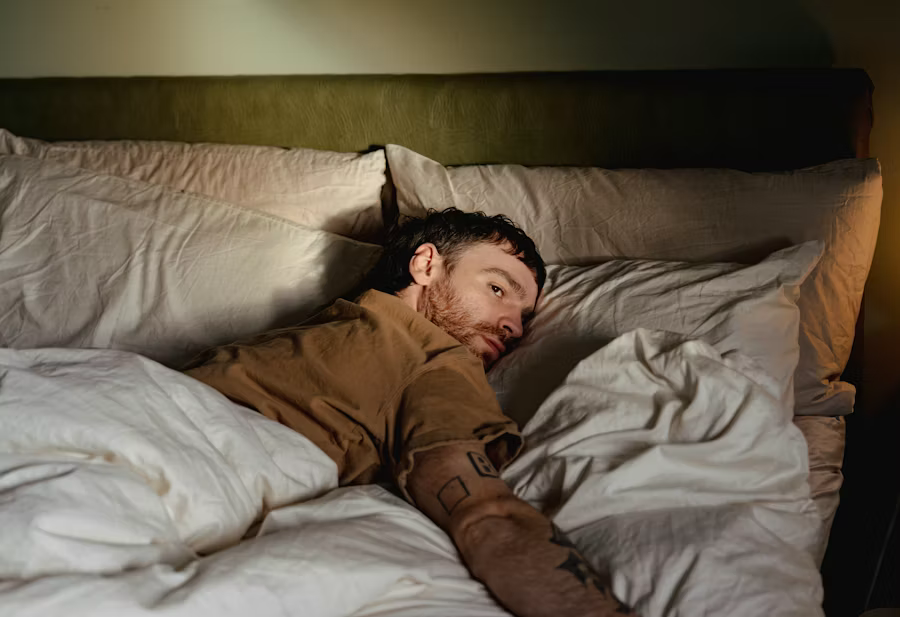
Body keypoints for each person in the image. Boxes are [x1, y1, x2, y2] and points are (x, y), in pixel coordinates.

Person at [185, 208, 636, 617]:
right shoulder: (394, 340)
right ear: (425, 265)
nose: (513, 326)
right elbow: (487, 516)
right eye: (497, 289)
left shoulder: (406, 348)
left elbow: (484, 513)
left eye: (523, 317)